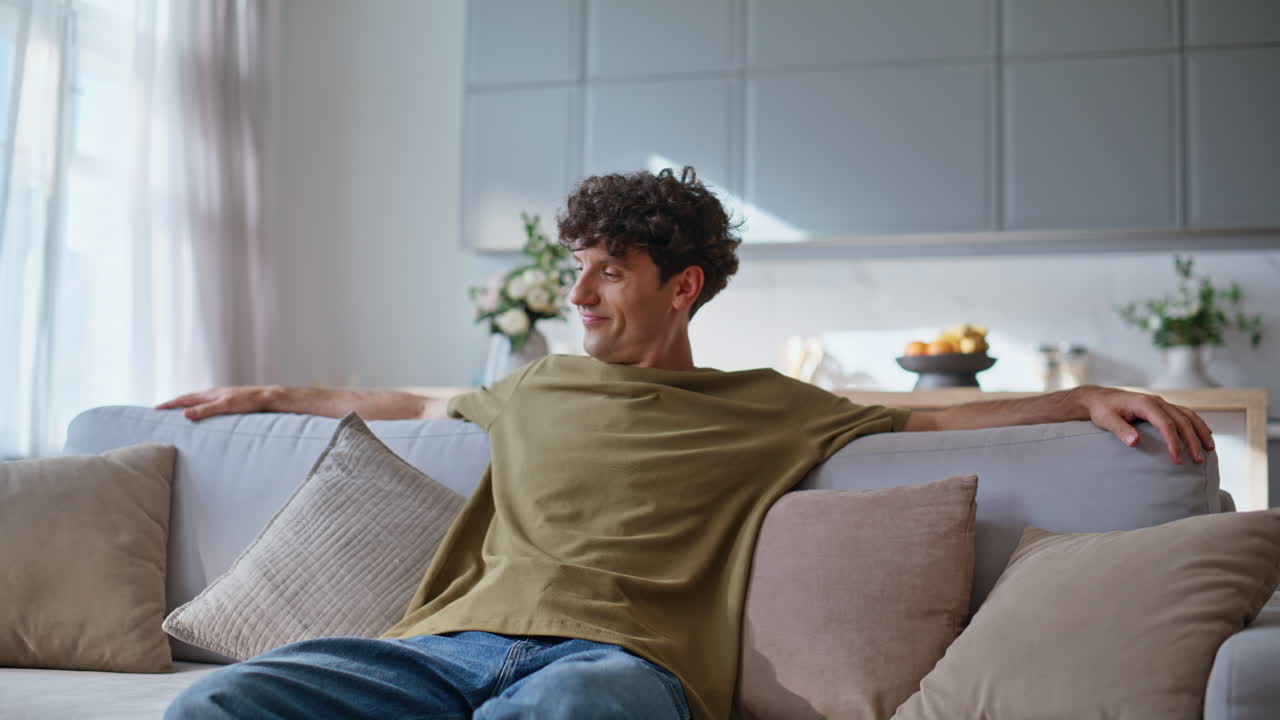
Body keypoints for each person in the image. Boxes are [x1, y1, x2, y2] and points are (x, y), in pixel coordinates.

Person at [160, 167, 1213, 720]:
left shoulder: (767, 405)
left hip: (619, 666)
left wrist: (1082, 399)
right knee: (223, 699)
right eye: (576, 269)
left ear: (682, 287)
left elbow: (931, 419)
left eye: (607, 271)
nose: (578, 294)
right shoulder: (529, 390)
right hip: (441, 651)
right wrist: (260, 390)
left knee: (569, 714)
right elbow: (408, 400)